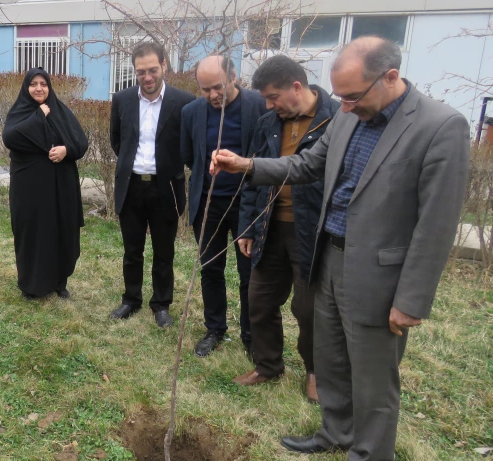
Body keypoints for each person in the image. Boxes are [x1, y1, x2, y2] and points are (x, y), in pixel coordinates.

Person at [211, 37, 470, 461]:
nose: (345, 106)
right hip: (327, 257)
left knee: (372, 375)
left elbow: (437, 224)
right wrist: (247, 165)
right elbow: (308, 164)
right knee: (329, 356)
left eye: (353, 96)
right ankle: (336, 431)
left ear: (390, 77)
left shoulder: (441, 127)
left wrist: (411, 299)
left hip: (378, 274)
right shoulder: (349, 117)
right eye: (341, 96)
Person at [234, 55, 340, 402]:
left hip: (313, 232)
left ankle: (315, 371)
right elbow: (253, 179)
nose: (268, 104)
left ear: (297, 87)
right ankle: (267, 365)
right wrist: (248, 226)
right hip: (269, 227)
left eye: (273, 96)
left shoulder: (338, 119)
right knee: (259, 300)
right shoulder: (268, 123)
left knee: (309, 309)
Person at [180, 55, 264, 357]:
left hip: (248, 204)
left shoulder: (259, 105)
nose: (213, 95)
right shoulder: (191, 113)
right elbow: (190, 156)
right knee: (210, 269)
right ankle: (214, 328)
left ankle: (251, 335)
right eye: (205, 90)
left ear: (233, 76)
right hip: (208, 204)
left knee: (249, 273)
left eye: (217, 87)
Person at [109, 42, 194, 328]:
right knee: (132, 250)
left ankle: (161, 304)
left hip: (165, 187)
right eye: (141, 71)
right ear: (134, 71)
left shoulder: (183, 102)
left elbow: (188, 144)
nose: (147, 77)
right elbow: (117, 141)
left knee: (163, 251)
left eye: (153, 70)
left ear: (165, 66)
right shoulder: (122, 100)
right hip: (131, 185)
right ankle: (131, 300)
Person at [2, 68, 88, 299]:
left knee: (61, 231)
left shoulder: (60, 111)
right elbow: (11, 137)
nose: (39, 88)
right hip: (29, 189)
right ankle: (32, 285)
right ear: (26, 87)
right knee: (33, 233)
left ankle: (60, 282)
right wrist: (39, 115)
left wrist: (66, 150)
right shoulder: (20, 112)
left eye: (43, 84)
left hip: (61, 187)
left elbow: (81, 142)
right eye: (33, 84)